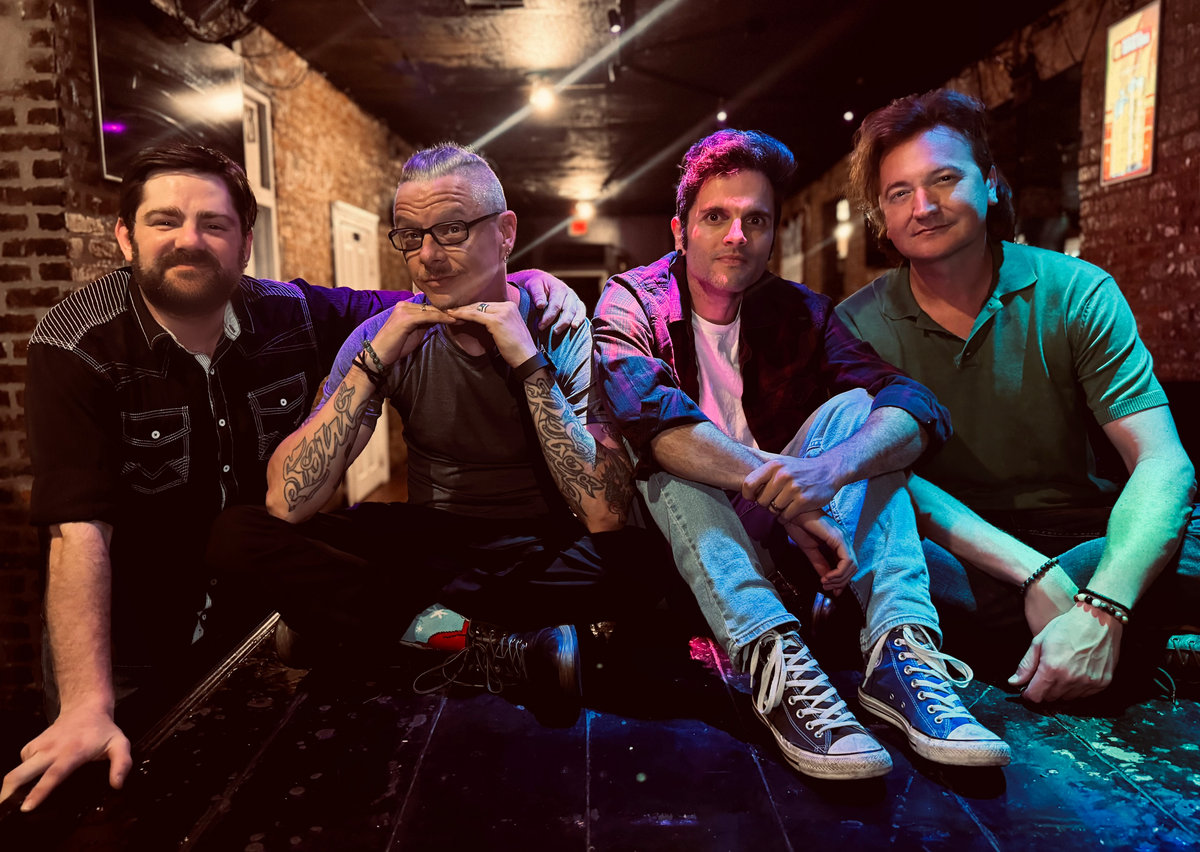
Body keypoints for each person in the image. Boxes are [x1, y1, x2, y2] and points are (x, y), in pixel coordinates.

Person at [2, 144, 584, 812]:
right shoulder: (77, 342)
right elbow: (77, 530)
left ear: (246, 242)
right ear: (126, 237)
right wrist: (84, 702)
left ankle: (431, 638)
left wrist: (533, 283)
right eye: (164, 221)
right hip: (127, 643)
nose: (189, 240)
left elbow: (447, 289)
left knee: (265, 799)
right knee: (114, 814)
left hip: (259, 616)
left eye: (213, 224)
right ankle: (465, 641)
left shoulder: (293, 314)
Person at [592, 129, 1010, 781]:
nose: (737, 236)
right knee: (673, 461)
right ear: (680, 230)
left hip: (778, 534)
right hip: (680, 537)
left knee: (862, 416)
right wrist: (789, 497)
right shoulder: (633, 300)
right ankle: (775, 661)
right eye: (716, 217)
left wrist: (826, 472)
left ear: (772, 235)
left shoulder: (800, 312)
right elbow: (654, 422)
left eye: (755, 220)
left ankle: (901, 656)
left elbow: (915, 404)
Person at [207, 142, 660, 718]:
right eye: (410, 235)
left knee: (646, 562)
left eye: (451, 230)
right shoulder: (383, 335)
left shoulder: (555, 321)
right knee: (236, 534)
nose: (427, 256)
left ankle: (377, 624)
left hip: (539, 544)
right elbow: (288, 503)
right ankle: (481, 642)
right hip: (429, 543)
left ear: (505, 232)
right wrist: (371, 366)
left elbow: (602, 513)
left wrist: (528, 363)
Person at [838, 88, 1199, 704]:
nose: (923, 207)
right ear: (883, 219)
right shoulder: (854, 326)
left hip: (1082, 543)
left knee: (1171, 535)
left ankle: (1071, 638)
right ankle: (1129, 644)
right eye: (899, 193)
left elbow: (1163, 462)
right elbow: (887, 476)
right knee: (859, 562)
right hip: (954, 555)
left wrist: (1103, 604)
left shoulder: (1076, 291)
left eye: (945, 179)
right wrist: (1031, 574)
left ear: (990, 184)